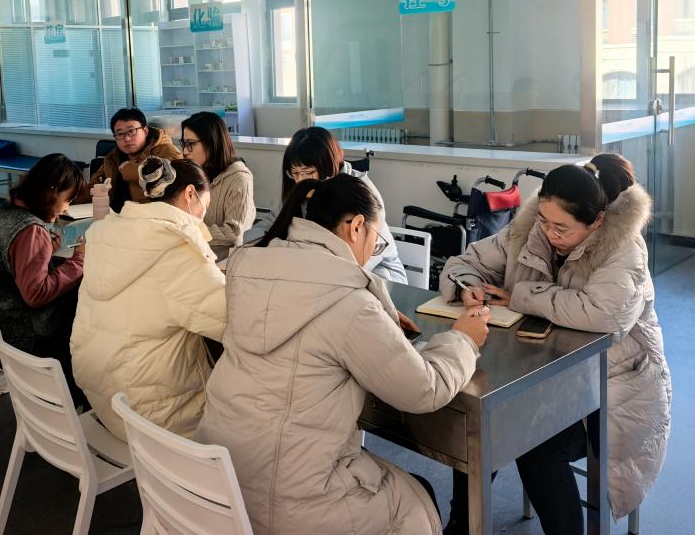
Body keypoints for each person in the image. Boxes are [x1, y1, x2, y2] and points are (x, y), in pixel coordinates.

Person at [196, 173, 489, 535]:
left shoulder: (252, 269)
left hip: (224, 479)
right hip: (293, 502)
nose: (371, 254)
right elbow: (424, 389)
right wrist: (463, 339)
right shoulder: (348, 303)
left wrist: (376, 316)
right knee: (416, 497)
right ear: (356, 227)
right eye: (376, 244)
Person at [440, 153, 672, 535]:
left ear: (597, 221)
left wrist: (520, 295)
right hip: (545, 375)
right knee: (480, 426)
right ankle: (462, 525)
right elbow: (464, 262)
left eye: (561, 228)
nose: (549, 234)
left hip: (616, 388)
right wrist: (468, 286)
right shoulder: (530, 228)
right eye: (544, 220)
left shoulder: (624, 251)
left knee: (538, 445)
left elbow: (604, 315)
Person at [70, 157, 226, 442]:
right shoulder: (179, 248)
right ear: (190, 193)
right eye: (206, 202)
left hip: (103, 398)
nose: (205, 212)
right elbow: (230, 321)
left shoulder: (104, 233)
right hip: (156, 418)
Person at [0, 154, 87, 405]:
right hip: (4, 345)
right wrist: (79, 261)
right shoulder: (30, 230)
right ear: (52, 191)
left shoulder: (0, 212)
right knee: (77, 304)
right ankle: (71, 401)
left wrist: (44, 251)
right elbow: (36, 295)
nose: (67, 208)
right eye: (68, 199)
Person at [278, 126, 407, 283]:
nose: (300, 180)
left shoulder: (360, 192)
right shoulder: (302, 192)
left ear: (327, 165)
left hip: (378, 270)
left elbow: (363, 257)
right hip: (327, 271)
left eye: (308, 172)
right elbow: (272, 222)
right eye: (295, 173)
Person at [180, 111, 256, 260]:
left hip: (223, 262)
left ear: (211, 143)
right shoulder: (194, 172)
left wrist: (187, 232)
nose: (184, 151)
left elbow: (234, 233)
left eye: (191, 144)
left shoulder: (239, 178)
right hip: (193, 254)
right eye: (184, 143)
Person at [75, 107, 181, 208]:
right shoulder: (113, 157)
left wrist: (129, 170)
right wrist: (67, 197)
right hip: (114, 216)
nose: (127, 138)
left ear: (145, 131)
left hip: (148, 217)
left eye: (131, 131)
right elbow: (92, 189)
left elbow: (175, 181)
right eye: (120, 134)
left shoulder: (166, 151)